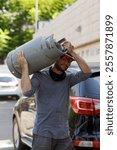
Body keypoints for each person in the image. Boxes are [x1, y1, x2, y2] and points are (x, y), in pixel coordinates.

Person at [16, 41, 91, 150]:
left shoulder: (68, 79)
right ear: (56, 58)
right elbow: (27, 92)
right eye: (63, 58)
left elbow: (87, 73)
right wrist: (24, 67)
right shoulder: (40, 76)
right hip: (43, 134)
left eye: (69, 61)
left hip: (63, 135)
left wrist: (72, 53)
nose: (66, 63)